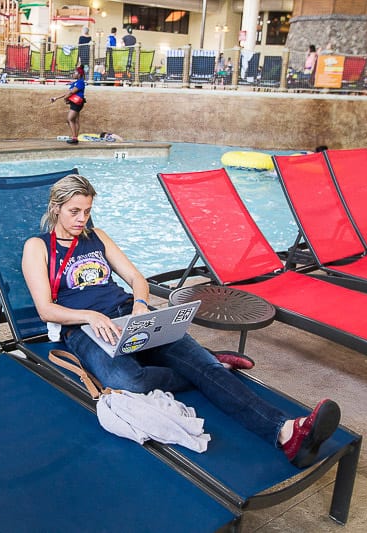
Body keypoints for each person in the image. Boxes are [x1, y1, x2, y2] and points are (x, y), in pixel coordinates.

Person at [21, 174, 342, 467]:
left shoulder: (97, 237)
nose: (82, 219)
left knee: (201, 366)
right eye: (74, 211)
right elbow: (45, 309)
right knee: (131, 382)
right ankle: (209, 365)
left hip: (130, 317)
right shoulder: (37, 247)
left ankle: (287, 432)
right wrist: (89, 315)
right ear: (56, 208)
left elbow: (136, 278)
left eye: (87, 211)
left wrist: (142, 305)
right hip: (83, 329)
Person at [49, 65, 86, 144]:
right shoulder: (76, 82)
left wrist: (65, 98)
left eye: (75, 72)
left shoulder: (80, 82)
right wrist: (56, 98)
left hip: (77, 103)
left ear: (79, 74)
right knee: (75, 120)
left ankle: (74, 138)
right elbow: (68, 92)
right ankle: (75, 137)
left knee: (70, 119)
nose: (73, 74)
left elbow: (72, 92)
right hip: (75, 102)